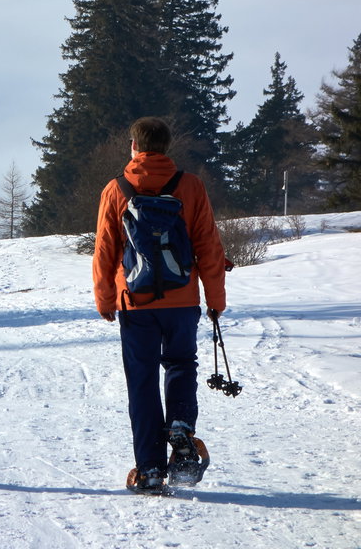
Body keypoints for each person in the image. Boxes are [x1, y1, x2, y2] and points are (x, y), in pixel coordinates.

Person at [92, 116, 227, 493]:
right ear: (167, 146)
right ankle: (181, 428)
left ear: (134, 146)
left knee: (142, 380)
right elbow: (208, 246)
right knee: (181, 363)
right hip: (182, 300)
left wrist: (105, 298)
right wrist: (215, 299)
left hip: (135, 303)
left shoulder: (115, 189)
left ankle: (150, 469)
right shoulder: (191, 186)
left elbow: (105, 250)